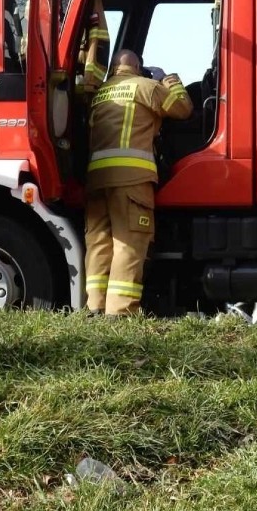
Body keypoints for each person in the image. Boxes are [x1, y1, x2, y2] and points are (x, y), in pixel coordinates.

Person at [84, 49, 193, 316]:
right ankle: (120, 312)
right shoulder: (147, 87)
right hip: (131, 177)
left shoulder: (100, 94)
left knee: (99, 243)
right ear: (138, 67)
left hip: (97, 179)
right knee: (129, 242)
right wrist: (169, 79)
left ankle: (95, 306)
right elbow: (183, 109)